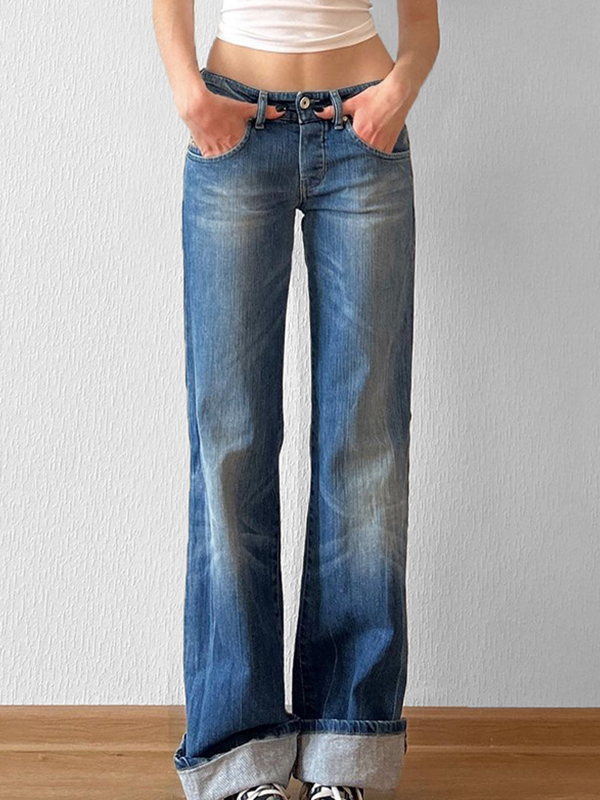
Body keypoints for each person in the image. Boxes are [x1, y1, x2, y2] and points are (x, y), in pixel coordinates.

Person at [152, 1, 439, 799]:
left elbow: (422, 23)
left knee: (367, 447)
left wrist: (397, 93)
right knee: (230, 448)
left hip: (363, 137)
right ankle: (237, 757)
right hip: (234, 129)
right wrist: (189, 94)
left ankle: (347, 752)